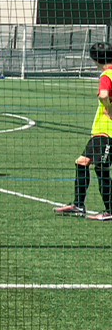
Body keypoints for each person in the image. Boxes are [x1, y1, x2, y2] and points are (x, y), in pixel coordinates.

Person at [54, 41, 112, 220]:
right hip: (101, 131)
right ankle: (78, 205)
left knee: (101, 168)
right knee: (82, 162)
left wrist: (109, 107)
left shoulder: (107, 75)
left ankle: (110, 211)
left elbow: (103, 95)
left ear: (95, 59)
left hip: (107, 130)